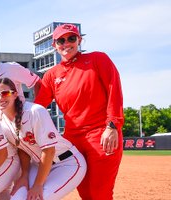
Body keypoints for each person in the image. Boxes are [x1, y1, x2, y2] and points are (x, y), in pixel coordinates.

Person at [34, 23, 124, 200]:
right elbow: (38, 107)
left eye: (71, 38)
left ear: (79, 40)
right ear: (54, 45)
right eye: (61, 40)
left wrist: (113, 125)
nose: (66, 43)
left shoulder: (98, 59)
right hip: (73, 140)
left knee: (100, 193)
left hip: (101, 134)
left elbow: (114, 89)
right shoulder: (52, 75)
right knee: (85, 193)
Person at [0, 78, 86, 200]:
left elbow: (49, 150)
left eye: (4, 93)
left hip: (66, 163)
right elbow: (22, 149)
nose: (0, 98)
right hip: (38, 165)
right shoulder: (1, 121)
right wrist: (24, 175)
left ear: (15, 94)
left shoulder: (35, 111)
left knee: (37, 198)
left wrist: (38, 184)